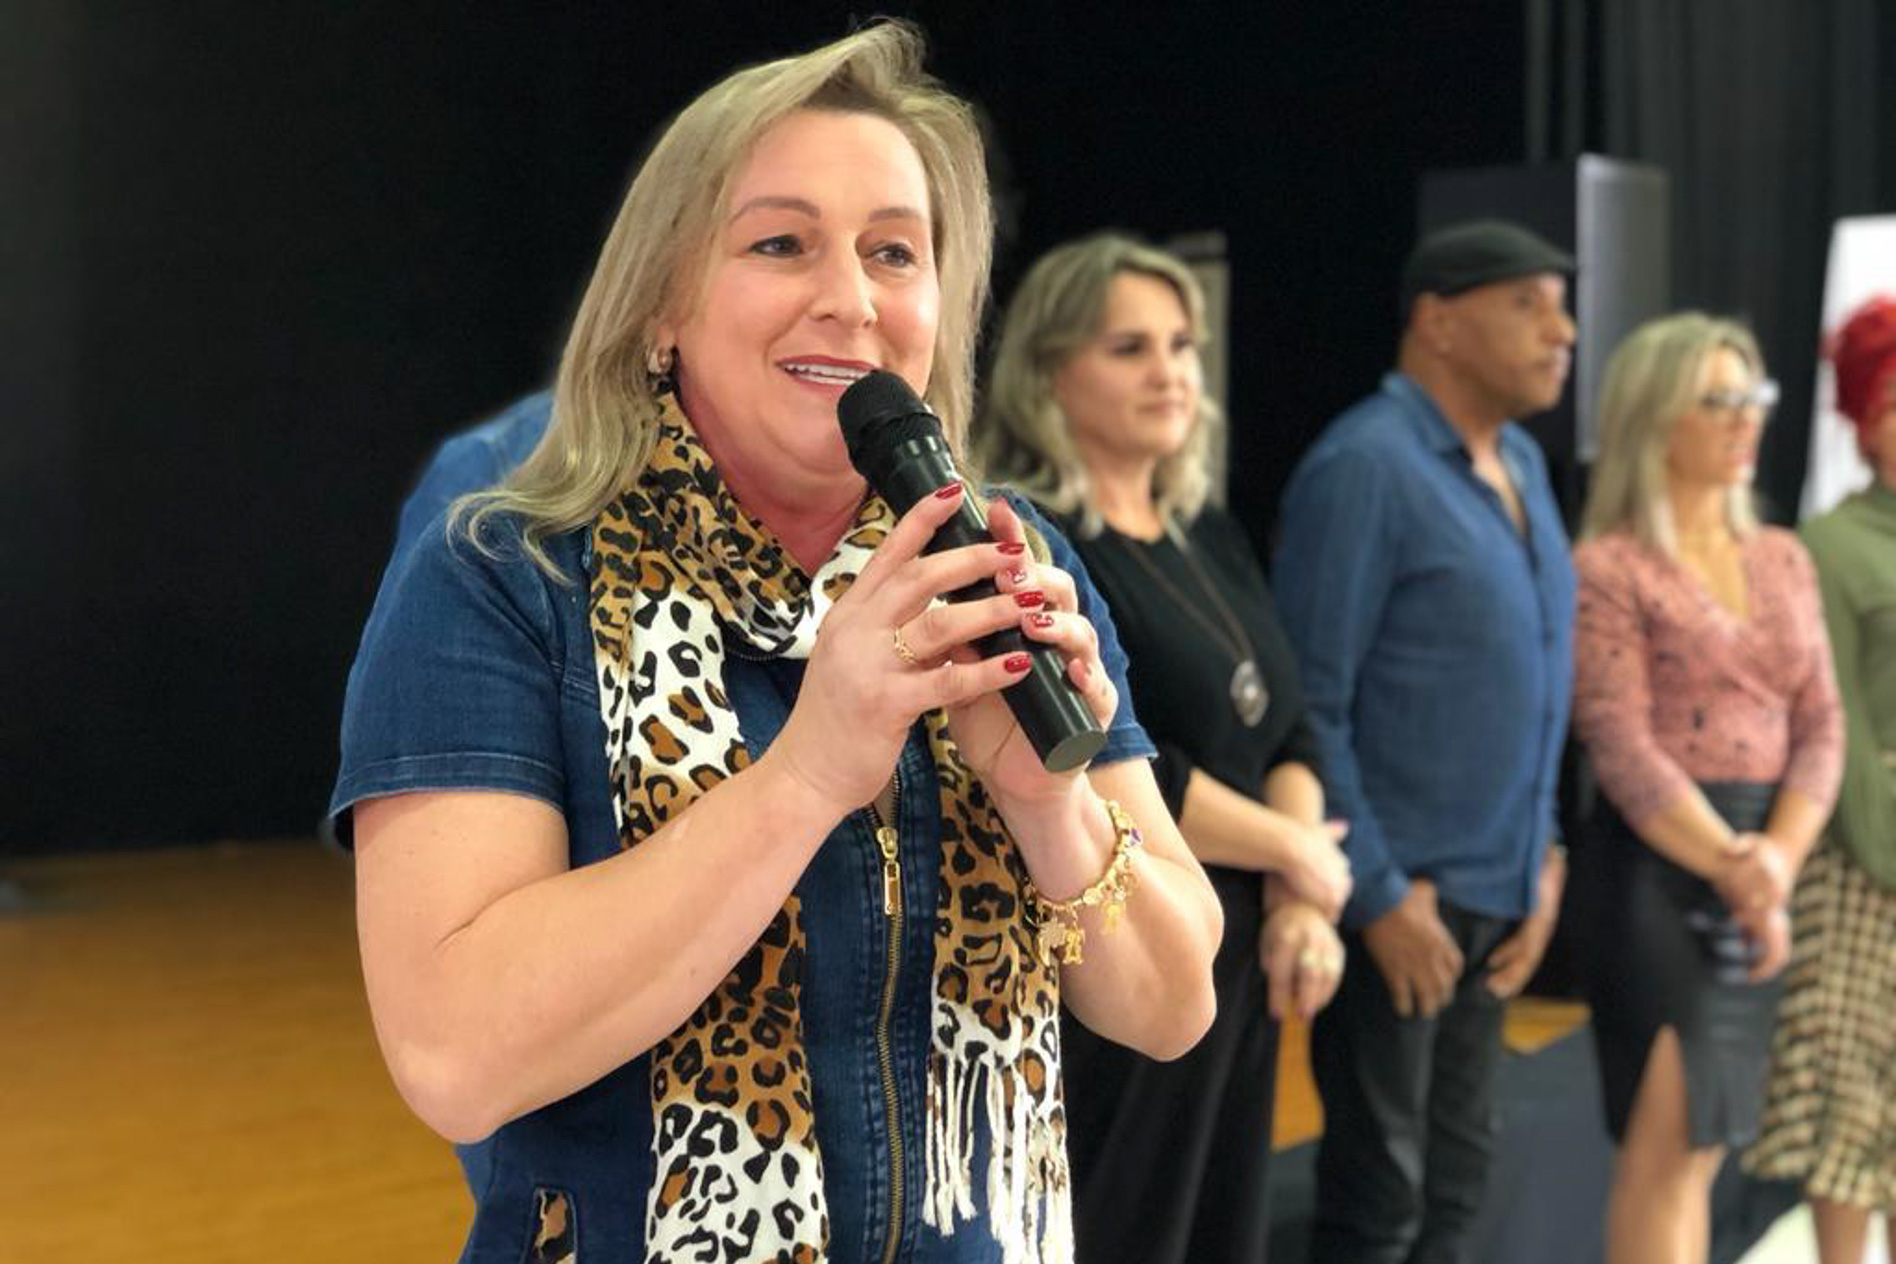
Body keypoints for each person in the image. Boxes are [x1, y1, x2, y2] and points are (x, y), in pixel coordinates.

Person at [330, 25, 1223, 1264]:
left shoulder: (999, 563)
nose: (851, 299)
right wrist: (806, 775)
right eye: (780, 243)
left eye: (894, 251)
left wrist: (1050, 807)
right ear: (661, 306)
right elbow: (453, 1053)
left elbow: (1175, 1003)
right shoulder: (503, 571)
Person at [974, 232, 1351, 1264]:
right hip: (1120, 957)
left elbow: (1287, 722)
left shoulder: (1205, 531)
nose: (1169, 371)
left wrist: (1302, 894)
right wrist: (1295, 849)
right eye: (1130, 347)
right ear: (1049, 370)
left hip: (1240, 956)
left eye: (1182, 346)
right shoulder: (1034, 545)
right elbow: (1132, 765)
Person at [1272, 219, 1578, 1264]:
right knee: (1380, 1208)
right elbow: (1311, 706)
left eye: (1562, 309)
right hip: (1399, 911)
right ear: (1439, 322)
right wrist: (1377, 892)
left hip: (1501, 896)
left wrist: (1545, 857)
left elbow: (1542, 684)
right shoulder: (1365, 466)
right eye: (1528, 306)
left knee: (1456, 1193)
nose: (1562, 332)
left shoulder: (1523, 462)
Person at [1569, 313, 1844, 1264]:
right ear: (1654, 418)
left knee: (1707, 1150)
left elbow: (1823, 724)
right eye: (1717, 399)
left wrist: (1776, 863)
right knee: (1665, 1153)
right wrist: (1738, 864)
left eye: (1753, 396)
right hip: (1659, 868)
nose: (1744, 418)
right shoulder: (1609, 567)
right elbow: (1620, 742)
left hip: (1767, 857)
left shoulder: (1782, 557)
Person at [1747, 296, 1896, 1264]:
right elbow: (1833, 725)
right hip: (1859, 869)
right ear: (1863, 417)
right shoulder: (1829, 547)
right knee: (1849, 1101)